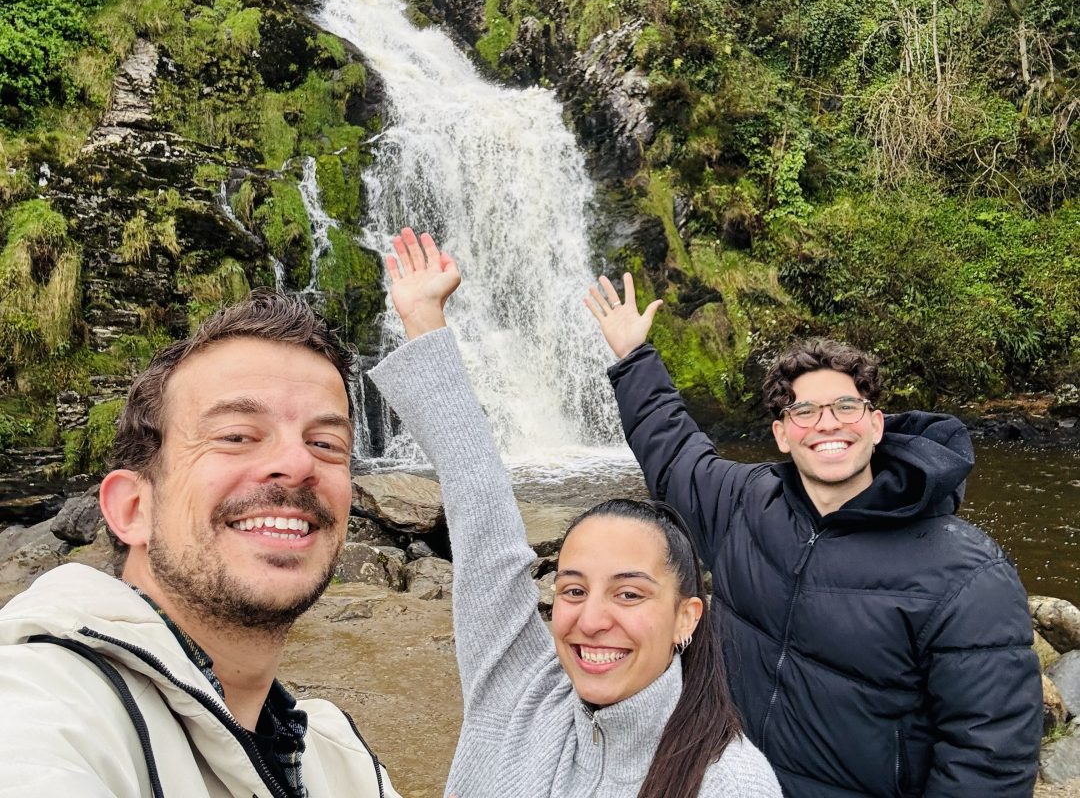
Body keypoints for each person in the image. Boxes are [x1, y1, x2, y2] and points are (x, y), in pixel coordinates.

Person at [584, 273, 1043, 798]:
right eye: (804, 411)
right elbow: (672, 451)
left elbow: (988, 758)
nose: (827, 424)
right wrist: (634, 356)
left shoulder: (967, 572)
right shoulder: (743, 502)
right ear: (782, 433)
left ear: (876, 424)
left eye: (845, 407)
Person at [369, 227, 782, 798]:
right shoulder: (517, 691)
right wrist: (423, 319)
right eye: (572, 589)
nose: (591, 620)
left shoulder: (730, 782)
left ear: (687, 618)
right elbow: (479, 508)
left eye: (629, 593)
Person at [0, 289, 400, 798]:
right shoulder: (41, 702)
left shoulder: (345, 765)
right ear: (133, 509)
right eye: (236, 436)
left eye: (325, 444)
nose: (298, 464)